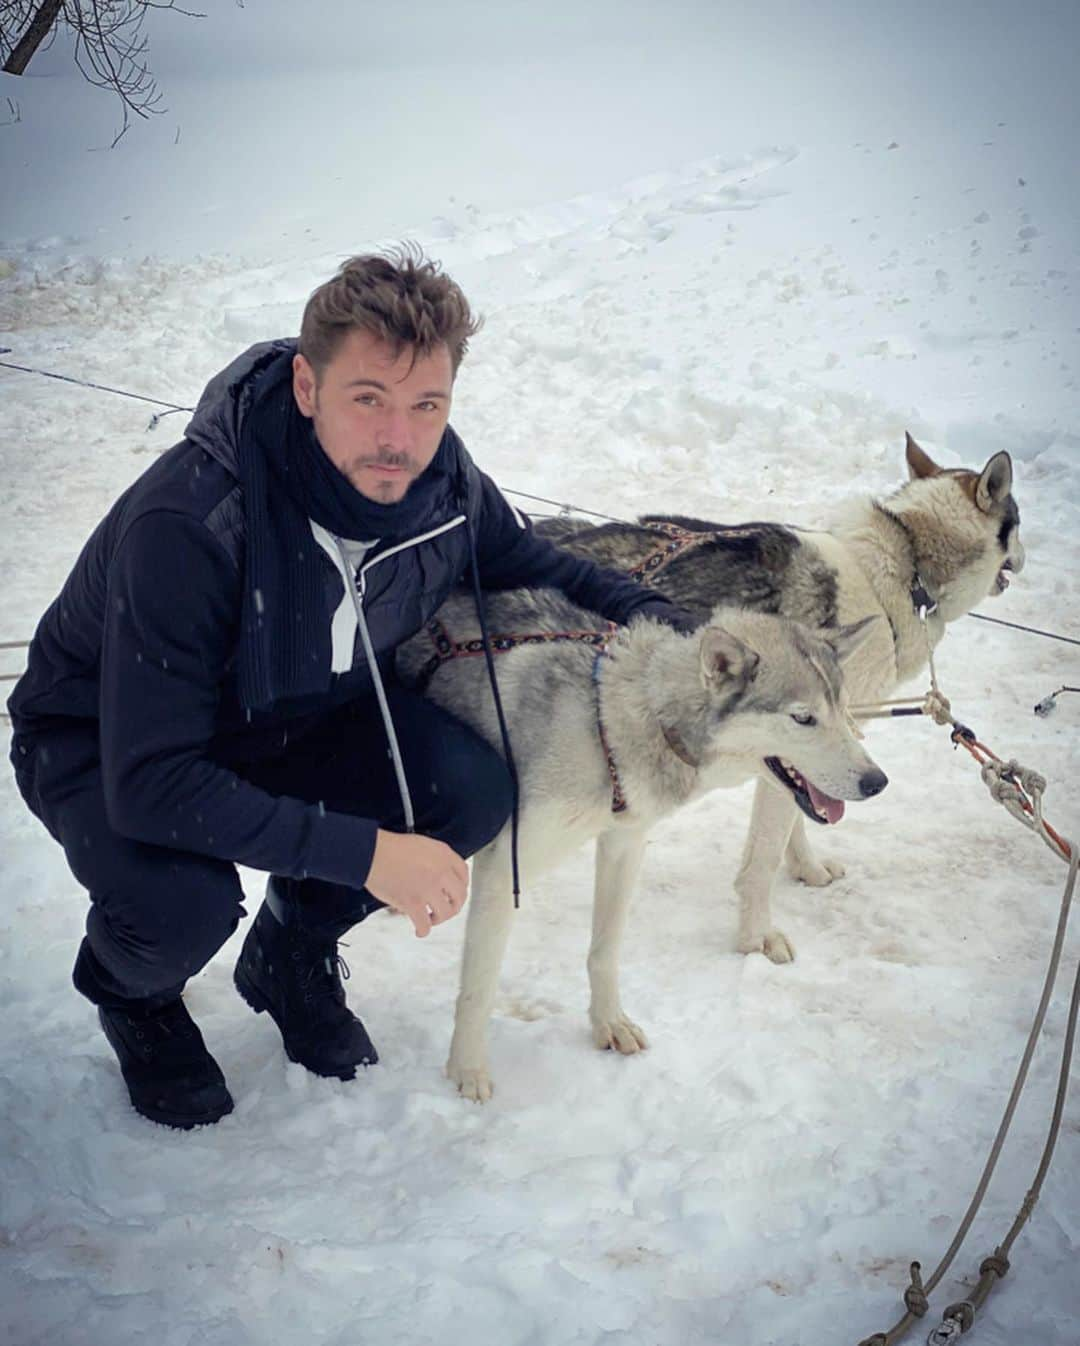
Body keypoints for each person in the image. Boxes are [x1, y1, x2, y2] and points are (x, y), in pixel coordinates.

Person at [8, 248, 692, 1130]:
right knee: (183, 904)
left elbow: (527, 557)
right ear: (305, 385)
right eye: (367, 398)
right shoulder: (190, 525)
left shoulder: (439, 481)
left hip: (290, 711)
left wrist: (659, 613)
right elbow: (153, 785)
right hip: (106, 741)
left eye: (426, 405)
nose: (398, 439)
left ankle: (291, 950)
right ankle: (133, 995)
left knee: (469, 790)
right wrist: (368, 855)